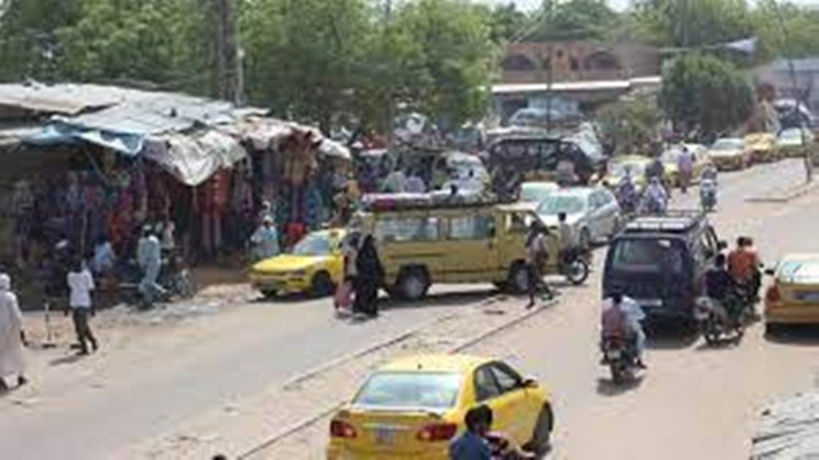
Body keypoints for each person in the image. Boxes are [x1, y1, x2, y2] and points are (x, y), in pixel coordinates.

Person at [601, 291, 647, 368]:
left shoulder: (606, 304)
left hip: (608, 333)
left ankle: (605, 355)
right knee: (640, 337)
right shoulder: (629, 304)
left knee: (602, 336)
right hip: (622, 332)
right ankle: (639, 359)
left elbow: (603, 320)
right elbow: (626, 323)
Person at [0, 273, 26, 391]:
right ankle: (20, 376)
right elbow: (16, 316)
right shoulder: (10, 297)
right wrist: (21, 330)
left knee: (1, 354)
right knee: (16, 352)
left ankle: (1, 379)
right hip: (11, 329)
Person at [66, 259, 98, 355]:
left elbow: (91, 290)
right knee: (80, 326)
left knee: (81, 327)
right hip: (74, 302)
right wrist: (67, 305)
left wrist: (93, 306)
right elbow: (69, 290)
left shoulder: (86, 275)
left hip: (84, 303)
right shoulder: (70, 276)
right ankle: (92, 341)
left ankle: (84, 347)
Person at [354, 235, 384, 318]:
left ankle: (371, 310)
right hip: (366, 277)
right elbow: (358, 263)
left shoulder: (370, 251)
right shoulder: (364, 251)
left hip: (369, 277)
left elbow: (377, 263)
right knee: (367, 294)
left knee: (370, 294)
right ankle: (366, 309)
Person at [525, 221, 554, 308]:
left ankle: (535, 299)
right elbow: (542, 249)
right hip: (534, 261)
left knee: (534, 281)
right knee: (535, 280)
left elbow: (530, 249)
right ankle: (546, 294)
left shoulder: (531, 237)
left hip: (533, 261)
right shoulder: (536, 237)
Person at [137, 226, 165, 307]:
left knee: (148, 282)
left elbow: (141, 255)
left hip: (149, 263)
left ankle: (162, 291)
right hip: (156, 262)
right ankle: (149, 300)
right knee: (149, 282)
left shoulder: (142, 242)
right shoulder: (155, 240)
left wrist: (142, 264)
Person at [704, 253, 735, 324]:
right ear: (723, 262)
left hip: (709, 295)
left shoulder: (709, 271)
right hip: (720, 296)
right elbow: (731, 282)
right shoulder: (724, 273)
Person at [728, 237, 761, 301]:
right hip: (746, 276)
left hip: (734, 276)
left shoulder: (732, 253)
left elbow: (729, 264)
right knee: (757, 275)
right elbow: (755, 264)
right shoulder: (750, 253)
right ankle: (754, 295)